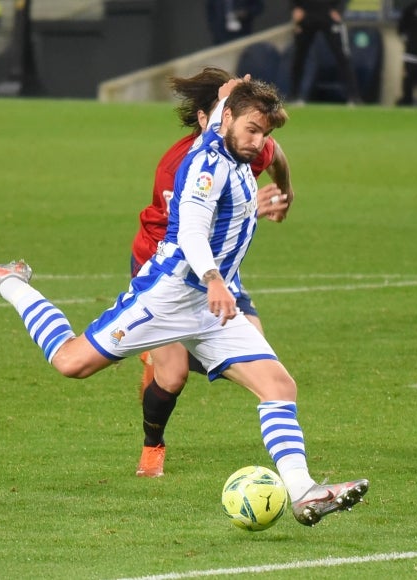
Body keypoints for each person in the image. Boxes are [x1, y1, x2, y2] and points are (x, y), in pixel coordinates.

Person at [0, 78, 368, 527]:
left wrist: (236, 100)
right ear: (224, 120)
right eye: (252, 130)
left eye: (265, 134)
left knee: (279, 387)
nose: (259, 143)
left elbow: (233, 106)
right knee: (71, 362)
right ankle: (12, 283)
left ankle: (304, 492)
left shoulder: (231, 141)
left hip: (210, 309)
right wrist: (213, 278)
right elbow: (190, 230)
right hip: (167, 296)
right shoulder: (205, 165)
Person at [130, 68, 294, 478]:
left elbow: (277, 155)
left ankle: (175, 344)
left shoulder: (249, 143)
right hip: (166, 269)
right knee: (172, 376)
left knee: (255, 348)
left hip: (218, 272)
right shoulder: (181, 166)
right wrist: (249, 207)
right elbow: (190, 232)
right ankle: (153, 447)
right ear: (207, 119)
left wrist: (286, 193)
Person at [288, 0, 362, 105]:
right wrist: (295, 7)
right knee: (298, 57)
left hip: (329, 14)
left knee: (342, 56)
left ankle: (354, 97)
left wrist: (339, 9)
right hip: (306, 15)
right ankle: (294, 96)